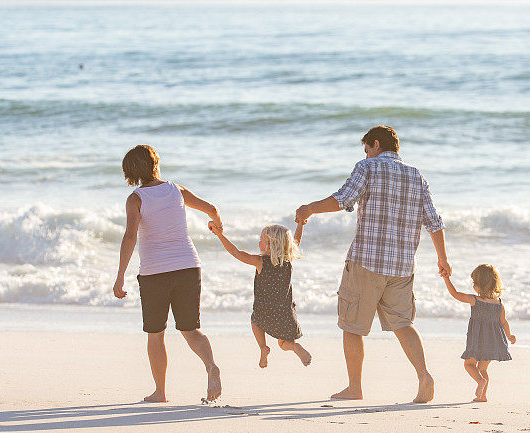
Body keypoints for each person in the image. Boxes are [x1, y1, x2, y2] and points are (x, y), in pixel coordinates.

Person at [295, 125, 450, 403]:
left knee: (352, 325)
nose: (366, 155)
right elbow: (434, 222)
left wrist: (309, 209)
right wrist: (443, 259)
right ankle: (424, 375)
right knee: (403, 323)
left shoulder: (368, 168)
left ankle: (355, 388)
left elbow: (342, 199)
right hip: (402, 266)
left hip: (366, 261)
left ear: (376, 145)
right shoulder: (417, 176)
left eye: (367, 150)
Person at [113, 145, 222, 403]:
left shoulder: (136, 199)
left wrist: (120, 276)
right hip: (188, 266)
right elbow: (212, 208)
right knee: (191, 329)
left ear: (132, 172)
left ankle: (160, 392)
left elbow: (130, 236)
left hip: (155, 273)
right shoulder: (177, 190)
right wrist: (217, 225)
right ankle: (211, 366)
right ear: (155, 163)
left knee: (155, 333)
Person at [208, 220, 312, 368]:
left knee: (255, 322)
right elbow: (296, 241)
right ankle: (295, 347)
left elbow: (236, 253)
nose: (259, 242)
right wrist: (300, 224)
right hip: (285, 312)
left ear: (270, 244)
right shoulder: (288, 260)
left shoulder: (260, 261)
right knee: (284, 344)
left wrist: (220, 235)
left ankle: (263, 347)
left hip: (264, 311)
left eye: (262, 240)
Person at [442, 264, 515, 402]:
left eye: (474, 282)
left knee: (469, 365)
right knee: (482, 369)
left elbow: (455, 294)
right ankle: (483, 396)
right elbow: (503, 322)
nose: (473, 285)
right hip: (494, 342)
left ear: (479, 285)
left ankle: (480, 382)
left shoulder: (474, 300)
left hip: (477, 340)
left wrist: (446, 279)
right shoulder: (499, 304)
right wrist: (509, 336)